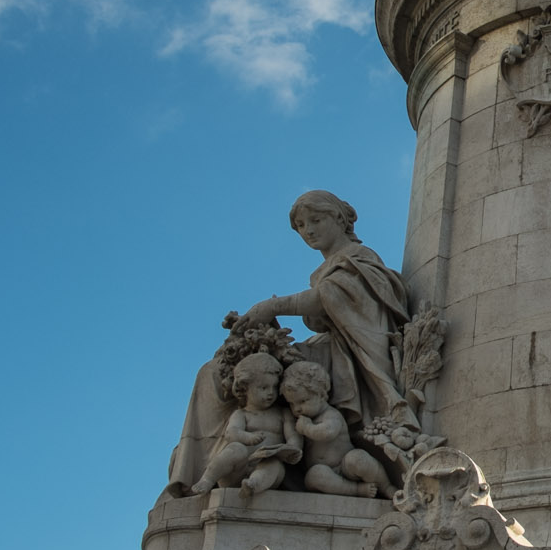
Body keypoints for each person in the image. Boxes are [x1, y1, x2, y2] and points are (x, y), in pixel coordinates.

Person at [166, 191, 412, 497]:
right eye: (300, 226)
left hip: (349, 359)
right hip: (328, 350)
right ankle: (207, 470)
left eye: (316, 220)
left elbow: (333, 300)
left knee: (216, 375)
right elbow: (324, 306)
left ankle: (232, 466)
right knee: (215, 371)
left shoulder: (360, 259)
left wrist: (272, 308)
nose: (308, 230)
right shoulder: (326, 269)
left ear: (339, 218)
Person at [189, 352, 302, 498]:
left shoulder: (283, 413)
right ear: (245, 388)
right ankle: (207, 479)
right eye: (263, 388)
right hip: (237, 470)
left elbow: (293, 437)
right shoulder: (241, 414)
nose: (270, 393)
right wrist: (248, 438)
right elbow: (231, 433)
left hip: (266, 467)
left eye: (274, 387)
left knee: (274, 465)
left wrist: (292, 450)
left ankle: (252, 485)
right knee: (236, 448)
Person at [282, 361, 390, 498]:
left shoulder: (331, 414)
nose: (297, 408)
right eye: (292, 403)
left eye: (303, 401)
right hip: (326, 472)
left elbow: (328, 433)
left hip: (345, 465)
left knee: (358, 459)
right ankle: (356, 489)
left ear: (321, 394)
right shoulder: (300, 420)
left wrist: (306, 428)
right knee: (314, 476)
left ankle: (386, 486)